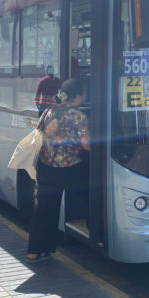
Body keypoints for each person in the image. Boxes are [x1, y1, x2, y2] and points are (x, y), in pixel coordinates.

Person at [27, 79, 90, 263]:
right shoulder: (78, 116)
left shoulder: (50, 111)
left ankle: (35, 251)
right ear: (78, 96)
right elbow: (86, 144)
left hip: (46, 166)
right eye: (84, 93)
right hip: (69, 167)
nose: (86, 96)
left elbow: (39, 130)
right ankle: (93, 227)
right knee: (89, 193)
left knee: (45, 208)